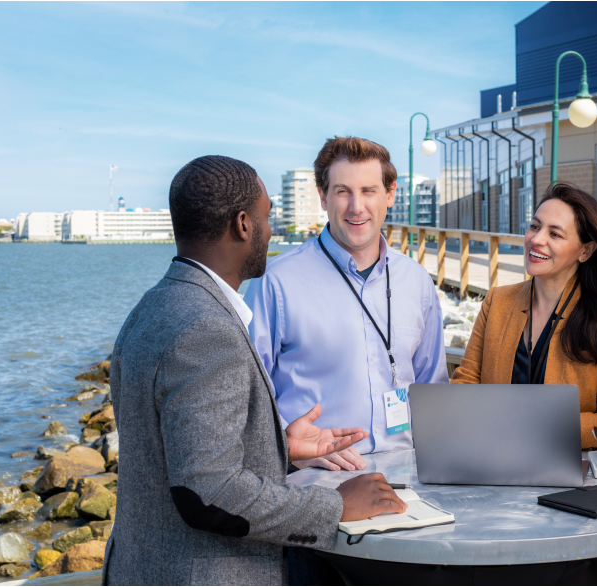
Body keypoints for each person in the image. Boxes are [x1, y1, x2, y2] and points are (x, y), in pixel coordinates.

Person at [105, 156, 406, 586]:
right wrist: (335, 505)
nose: (269, 230)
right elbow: (208, 492)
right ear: (243, 225)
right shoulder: (208, 329)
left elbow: (172, 448)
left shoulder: (152, 308)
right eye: (266, 216)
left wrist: (277, 447)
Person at [246, 136, 448, 472]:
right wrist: (289, 445)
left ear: (390, 194)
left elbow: (433, 388)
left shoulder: (417, 281)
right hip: (315, 483)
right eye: (343, 192)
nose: (357, 206)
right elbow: (248, 397)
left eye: (369, 190)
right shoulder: (275, 282)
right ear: (323, 197)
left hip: (410, 474)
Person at [452, 182, 597, 448]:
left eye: (555, 234)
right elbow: (465, 385)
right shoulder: (497, 301)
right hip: (492, 464)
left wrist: (532, 428)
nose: (537, 239)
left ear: (585, 251)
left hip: (570, 475)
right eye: (535, 226)